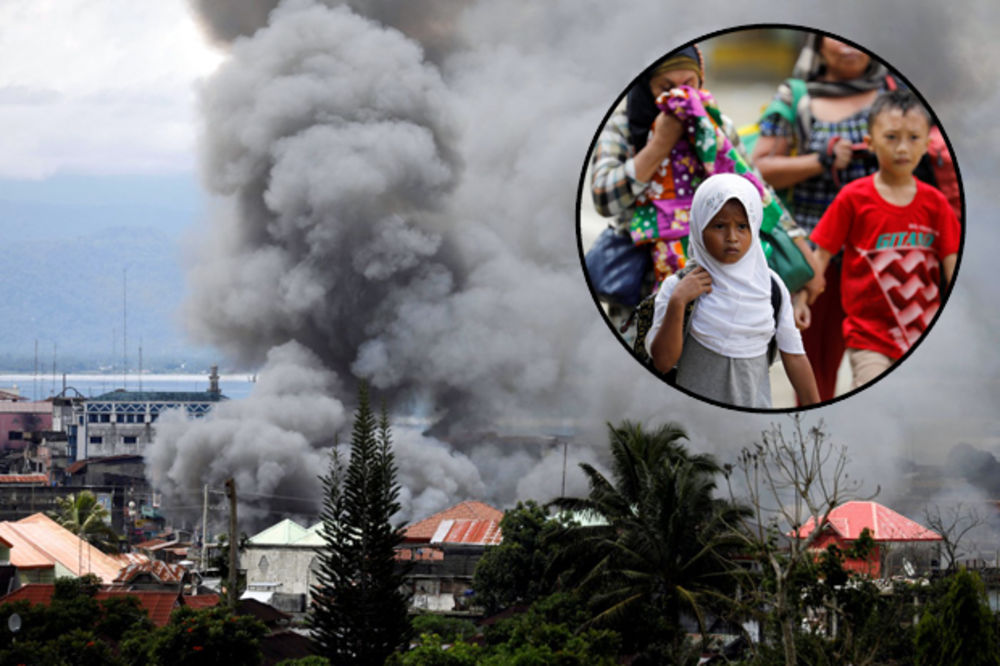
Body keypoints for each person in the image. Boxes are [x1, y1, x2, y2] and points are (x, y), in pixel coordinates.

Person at [590, 44, 816, 335]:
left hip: (719, 286)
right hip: (643, 288)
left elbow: (755, 189)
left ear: (701, 82)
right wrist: (659, 145)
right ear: (646, 89)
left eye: (689, 85)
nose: (680, 96)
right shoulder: (622, 129)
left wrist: (800, 247)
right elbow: (604, 198)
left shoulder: (714, 125)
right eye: (666, 87)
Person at [751, 34, 894, 401]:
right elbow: (760, 168)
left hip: (883, 254)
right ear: (816, 42)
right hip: (816, 260)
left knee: (882, 364)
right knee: (815, 370)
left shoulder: (893, 92)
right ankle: (817, 443)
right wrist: (822, 160)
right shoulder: (796, 97)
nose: (850, 44)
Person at [809, 90, 960, 389]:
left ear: (928, 144)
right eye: (891, 137)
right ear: (870, 142)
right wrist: (801, 300)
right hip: (869, 339)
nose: (902, 148)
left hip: (923, 336)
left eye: (913, 138)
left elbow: (951, 266)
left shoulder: (936, 204)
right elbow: (820, 256)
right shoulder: (853, 198)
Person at [645, 173, 820, 408]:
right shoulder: (680, 288)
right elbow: (663, 363)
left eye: (742, 227)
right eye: (719, 226)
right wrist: (677, 302)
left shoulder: (771, 288)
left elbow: (795, 356)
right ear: (699, 227)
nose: (732, 238)